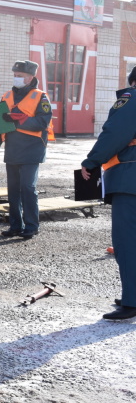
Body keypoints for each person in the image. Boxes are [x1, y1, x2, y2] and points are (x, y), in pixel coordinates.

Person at [80, 66, 136, 320]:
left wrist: (92, 161)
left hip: (130, 178)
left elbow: (115, 133)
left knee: (128, 241)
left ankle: (132, 301)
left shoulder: (131, 99)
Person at [0, 60, 54, 240]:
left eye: (20, 76)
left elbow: (43, 122)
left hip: (33, 148)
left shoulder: (41, 97)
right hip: (12, 149)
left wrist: (18, 120)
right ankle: (15, 226)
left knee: (27, 187)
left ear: (30, 77)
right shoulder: (7, 96)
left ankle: (32, 226)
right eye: (15, 75)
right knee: (13, 189)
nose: (16, 78)